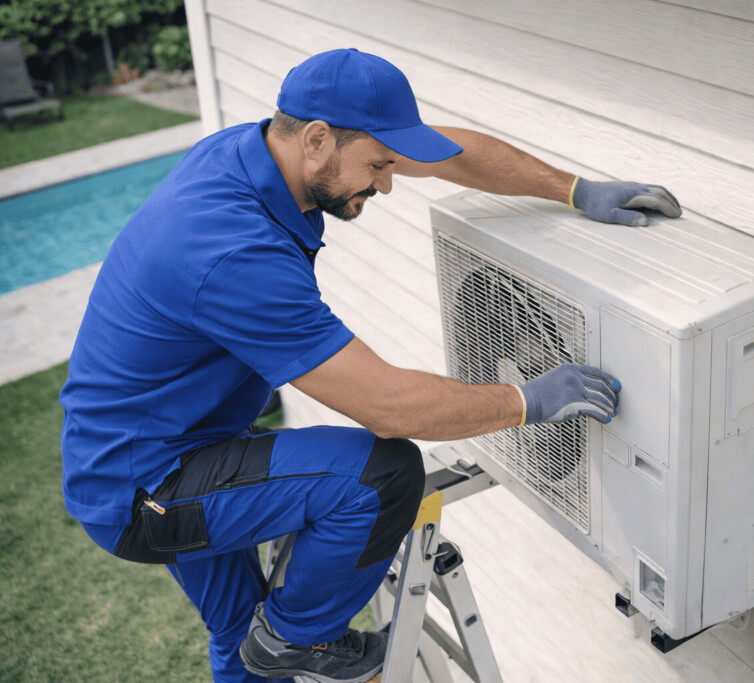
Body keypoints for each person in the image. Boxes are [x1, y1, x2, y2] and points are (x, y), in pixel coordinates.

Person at [60, 49, 681, 683]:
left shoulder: (261, 150)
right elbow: (389, 407)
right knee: (379, 478)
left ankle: (271, 644)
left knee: (237, 626)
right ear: (317, 141)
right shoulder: (232, 252)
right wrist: (527, 401)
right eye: (379, 166)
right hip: (147, 487)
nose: (387, 184)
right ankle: (298, 641)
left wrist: (573, 190)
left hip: (149, 444)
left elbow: (453, 154)